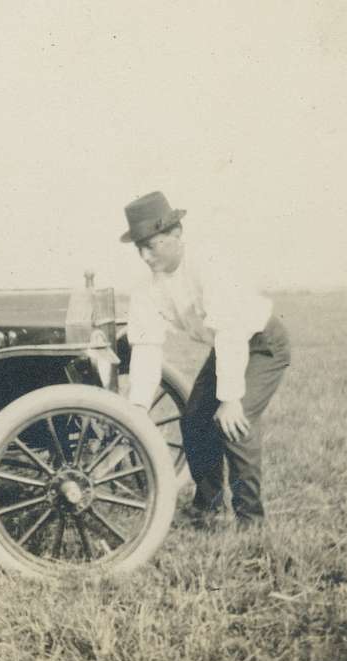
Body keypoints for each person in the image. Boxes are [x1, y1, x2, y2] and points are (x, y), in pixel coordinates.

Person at [120, 191, 291, 529]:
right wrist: (138, 406)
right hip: (227, 347)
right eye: (139, 247)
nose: (144, 255)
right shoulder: (146, 288)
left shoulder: (208, 264)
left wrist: (230, 399)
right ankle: (208, 506)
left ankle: (251, 521)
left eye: (151, 245)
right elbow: (146, 345)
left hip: (261, 343)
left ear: (176, 235)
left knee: (233, 425)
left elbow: (230, 332)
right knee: (195, 420)